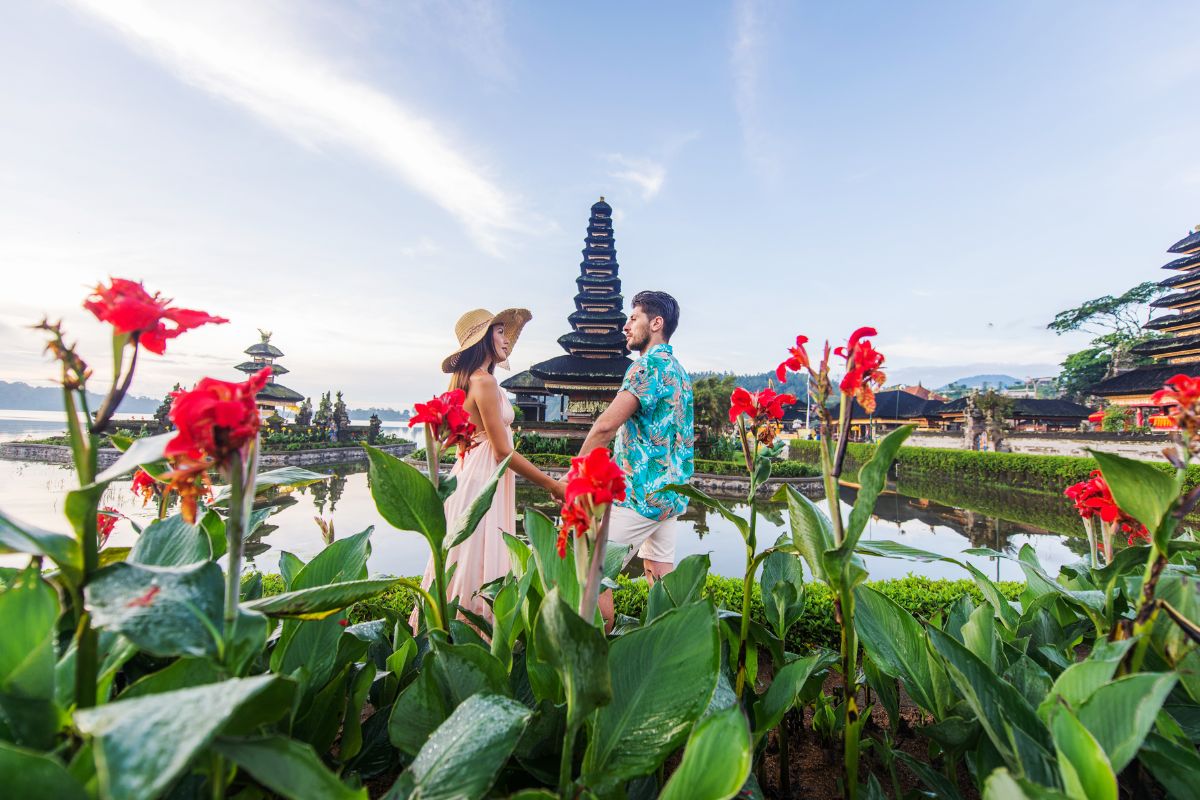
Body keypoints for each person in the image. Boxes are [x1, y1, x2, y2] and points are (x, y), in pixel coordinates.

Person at [413, 307, 565, 629]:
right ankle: (478, 638)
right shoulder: (484, 383)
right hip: (485, 477)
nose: (506, 339)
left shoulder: (470, 382)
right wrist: (552, 485)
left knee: (468, 558)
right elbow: (501, 452)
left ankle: (447, 632)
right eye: (498, 332)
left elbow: (459, 441)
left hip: (471, 474)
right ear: (483, 339)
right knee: (480, 557)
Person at [573, 291, 694, 629]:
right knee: (661, 583)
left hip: (638, 495)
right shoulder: (680, 372)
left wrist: (576, 477)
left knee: (591, 571)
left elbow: (605, 426)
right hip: (671, 496)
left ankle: (600, 647)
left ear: (656, 323)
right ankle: (668, 655)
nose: (625, 326)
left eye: (633, 318)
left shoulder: (647, 366)